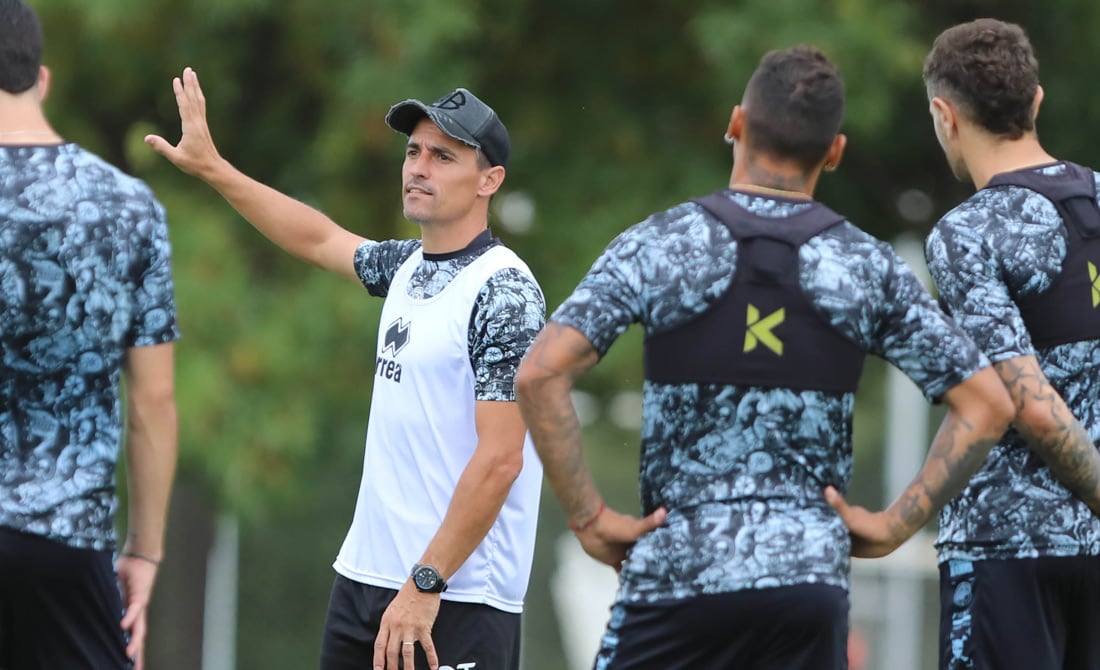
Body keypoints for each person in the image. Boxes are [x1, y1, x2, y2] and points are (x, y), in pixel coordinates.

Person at [515, 45, 1014, 669]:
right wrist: (893, 525)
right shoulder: (865, 265)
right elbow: (988, 403)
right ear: (834, 153)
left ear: (736, 124)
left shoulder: (664, 243)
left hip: (678, 579)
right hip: (808, 587)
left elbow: (540, 373)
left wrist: (588, 518)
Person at [145, 69, 545, 670]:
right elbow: (316, 238)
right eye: (413, 152)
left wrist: (425, 583)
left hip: (454, 598)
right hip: (365, 582)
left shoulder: (505, 291)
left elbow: (501, 460)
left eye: (443, 156)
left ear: (491, 180)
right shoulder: (408, 267)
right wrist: (213, 168)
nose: (418, 168)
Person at [0, 1, 180, 669]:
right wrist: (144, 549)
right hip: (68, 542)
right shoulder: (128, 205)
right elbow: (152, 403)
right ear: (39, 79)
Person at [919, 18, 1100, 670]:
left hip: (1006, 552)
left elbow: (1024, 402)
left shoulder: (966, 233)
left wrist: (895, 521)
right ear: (1037, 101)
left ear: (945, 115)